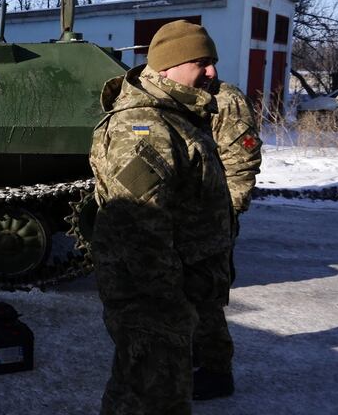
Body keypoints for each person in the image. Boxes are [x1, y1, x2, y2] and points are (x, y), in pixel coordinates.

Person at [89, 20, 233, 414]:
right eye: (201, 62)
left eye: (213, 62)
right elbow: (138, 228)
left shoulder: (175, 114)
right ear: (169, 66)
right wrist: (167, 306)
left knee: (148, 388)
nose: (212, 72)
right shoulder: (146, 127)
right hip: (154, 298)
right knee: (150, 396)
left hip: (176, 289)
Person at [192, 79, 262, 400]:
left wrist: (226, 215)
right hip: (187, 214)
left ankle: (217, 371)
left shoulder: (226, 99)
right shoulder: (175, 94)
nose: (209, 69)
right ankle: (196, 352)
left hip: (212, 217)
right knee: (187, 291)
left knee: (206, 295)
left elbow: (242, 164)